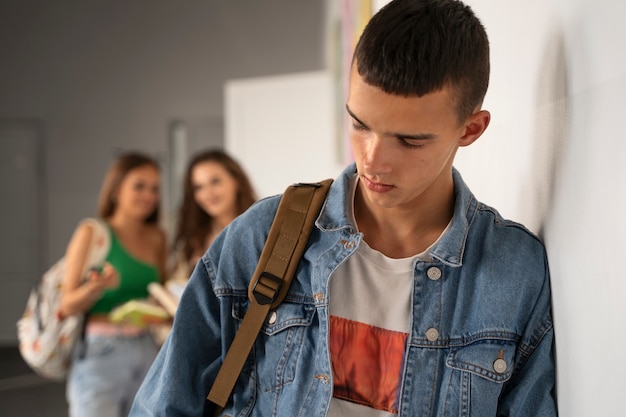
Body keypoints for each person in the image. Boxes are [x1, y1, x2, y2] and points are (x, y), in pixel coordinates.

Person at [129, 1, 557, 416]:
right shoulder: (263, 236)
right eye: (359, 123)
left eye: (409, 140)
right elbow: (164, 404)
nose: (372, 160)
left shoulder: (514, 271)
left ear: (471, 129)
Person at [60, 152, 167, 417]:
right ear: (116, 189)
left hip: (147, 349)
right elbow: (67, 304)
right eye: (139, 186)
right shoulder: (92, 233)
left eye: (154, 188)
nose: (148, 195)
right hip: (101, 350)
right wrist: (95, 287)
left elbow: (159, 293)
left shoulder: (157, 238)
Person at [170, 149, 257, 281]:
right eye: (198, 187)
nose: (208, 194)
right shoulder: (195, 239)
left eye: (215, 182)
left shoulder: (261, 230)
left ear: (237, 181)